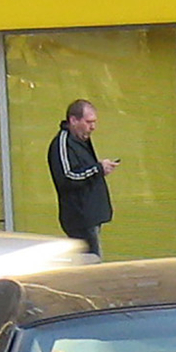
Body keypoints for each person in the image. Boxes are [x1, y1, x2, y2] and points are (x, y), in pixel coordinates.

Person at [48, 100, 118, 255]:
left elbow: (83, 171)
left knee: (92, 257)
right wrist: (98, 168)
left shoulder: (80, 140)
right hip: (79, 216)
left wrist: (99, 169)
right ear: (73, 120)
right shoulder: (63, 143)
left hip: (90, 213)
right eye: (88, 122)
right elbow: (68, 176)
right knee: (91, 261)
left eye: (94, 122)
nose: (92, 127)